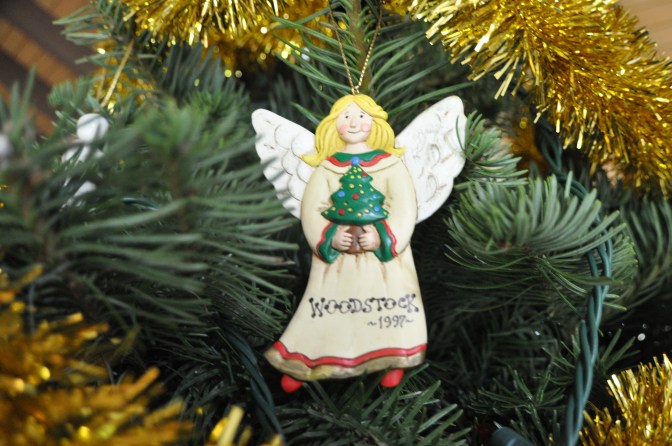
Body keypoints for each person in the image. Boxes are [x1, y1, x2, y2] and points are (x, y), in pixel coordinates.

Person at [264, 94, 426, 392]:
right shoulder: (326, 169)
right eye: (346, 116)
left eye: (361, 116)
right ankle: (305, 360)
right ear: (333, 124)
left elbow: (404, 206)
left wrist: (382, 236)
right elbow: (312, 209)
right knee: (328, 308)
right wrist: (329, 236)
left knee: (387, 308)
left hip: (383, 266)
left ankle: (393, 357)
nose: (354, 123)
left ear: (374, 122)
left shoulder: (391, 165)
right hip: (337, 267)